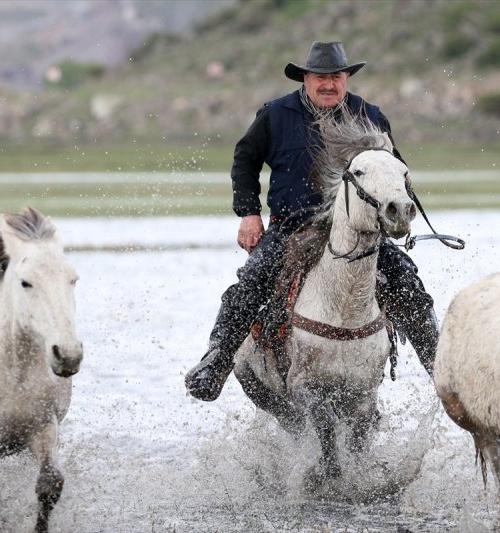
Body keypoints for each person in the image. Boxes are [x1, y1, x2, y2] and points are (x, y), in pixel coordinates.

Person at [185, 41, 439, 402]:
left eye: (335, 76)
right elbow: (245, 159)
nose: (328, 84)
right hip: (292, 227)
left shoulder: (370, 116)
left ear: (346, 78)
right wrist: (249, 213)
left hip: (359, 232)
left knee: (406, 280)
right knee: (251, 281)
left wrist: (396, 208)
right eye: (320, 77)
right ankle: (216, 362)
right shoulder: (275, 115)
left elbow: (391, 171)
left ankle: (439, 367)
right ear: (305, 78)